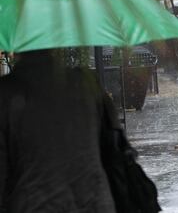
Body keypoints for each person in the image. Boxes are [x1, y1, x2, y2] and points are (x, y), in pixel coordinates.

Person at [0, 49, 118, 212]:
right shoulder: (85, 83)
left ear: (17, 49)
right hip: (94, 202)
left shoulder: (6, 93)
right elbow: (113, 147)